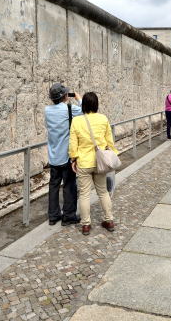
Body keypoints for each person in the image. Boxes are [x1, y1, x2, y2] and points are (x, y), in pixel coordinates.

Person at [69, 92, 119, 236]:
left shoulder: (77, 121)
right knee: (103, 191)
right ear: (96, 104)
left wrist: (73, 158)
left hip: (84, 162)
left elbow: (73, 143)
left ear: (83, 105)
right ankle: (109, 220)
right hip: (100, 162)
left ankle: (86, 224)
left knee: (84, 194)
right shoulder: (103, 119)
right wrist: (113, 154)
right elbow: (109, 140)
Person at [44, 83, 82, 226]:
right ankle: (69, 216)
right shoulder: (69, 108)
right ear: (65, 96)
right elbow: (86, 110)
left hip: (53, 155)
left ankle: (53, 216)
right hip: (66, 155)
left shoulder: (47, 110)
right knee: (69, 185)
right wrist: (78, 98)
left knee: (53, 186)